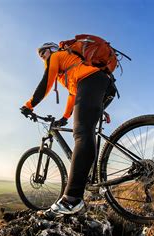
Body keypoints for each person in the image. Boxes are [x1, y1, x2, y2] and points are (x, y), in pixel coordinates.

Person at [20, 41, 117, 216]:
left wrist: (29, 105)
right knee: (86, 131)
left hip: (93, 81)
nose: (42, 57)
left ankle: (72, 199)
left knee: (81, 133)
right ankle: (92, 182)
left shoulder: (57, 57)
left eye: (43, 53)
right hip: (103, 84)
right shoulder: (71, 68)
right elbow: (74, 96)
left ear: (52, 50)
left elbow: (45, 84)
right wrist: (65, 117)